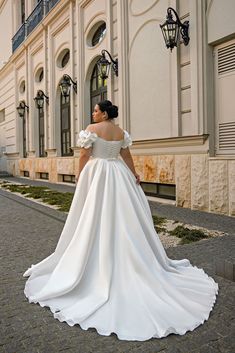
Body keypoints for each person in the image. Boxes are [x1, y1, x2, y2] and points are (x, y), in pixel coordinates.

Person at [23, 100, 219, 341]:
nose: (93, 113)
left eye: (96, 110)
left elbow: (85, 154)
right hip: (118, 174)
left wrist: (79, 175)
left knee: (94, 215)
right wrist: (135, 174)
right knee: (125, 216)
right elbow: (127, 156)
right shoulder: (120, 132)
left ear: (104, 113)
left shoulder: (91, 130)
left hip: (98, 173)